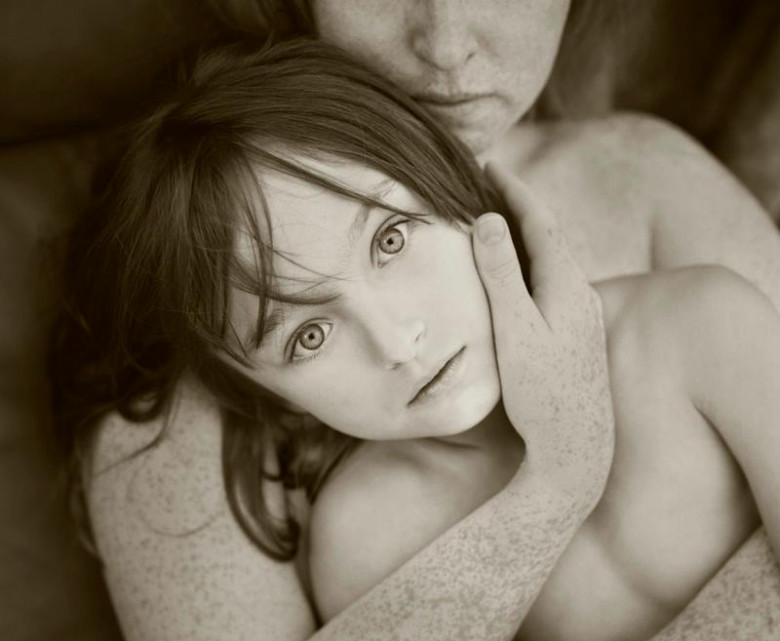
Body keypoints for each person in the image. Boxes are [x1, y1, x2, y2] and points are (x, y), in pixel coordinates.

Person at [51, 39, 780, 641]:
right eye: (309, 336)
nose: (395, 340)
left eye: (391, 239)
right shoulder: (368, 535)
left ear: (464, 196)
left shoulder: (694, 327)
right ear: (270, 395)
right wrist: (558, 475)